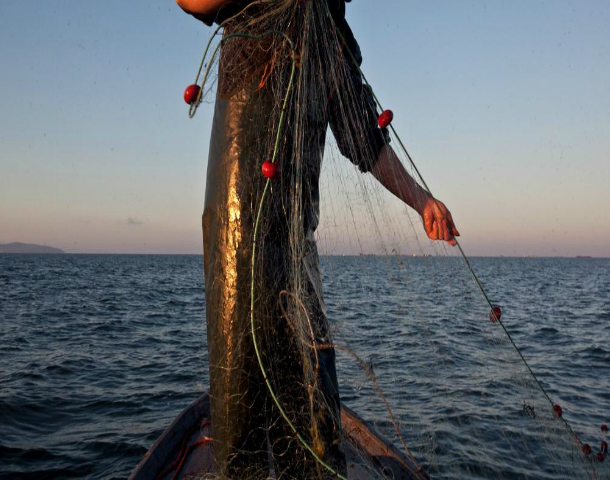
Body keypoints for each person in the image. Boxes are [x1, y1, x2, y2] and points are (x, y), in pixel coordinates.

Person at [175, 1, 459, 478]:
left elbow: (366, 142)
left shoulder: (329, 27)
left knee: (312, 395)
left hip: (295, 241)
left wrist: (422, 201)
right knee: (241, 386)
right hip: (237, 234)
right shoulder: (250, 6)